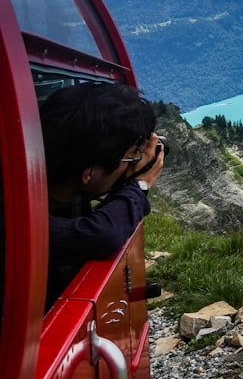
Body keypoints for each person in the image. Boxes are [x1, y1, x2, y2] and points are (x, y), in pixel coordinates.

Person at [40, 82, 166, 307]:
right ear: (89, 174)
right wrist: (139, 186)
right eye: (130, 158)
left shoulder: (64, 193)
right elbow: (100, 234)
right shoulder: (15, 220)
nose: (132, 165)